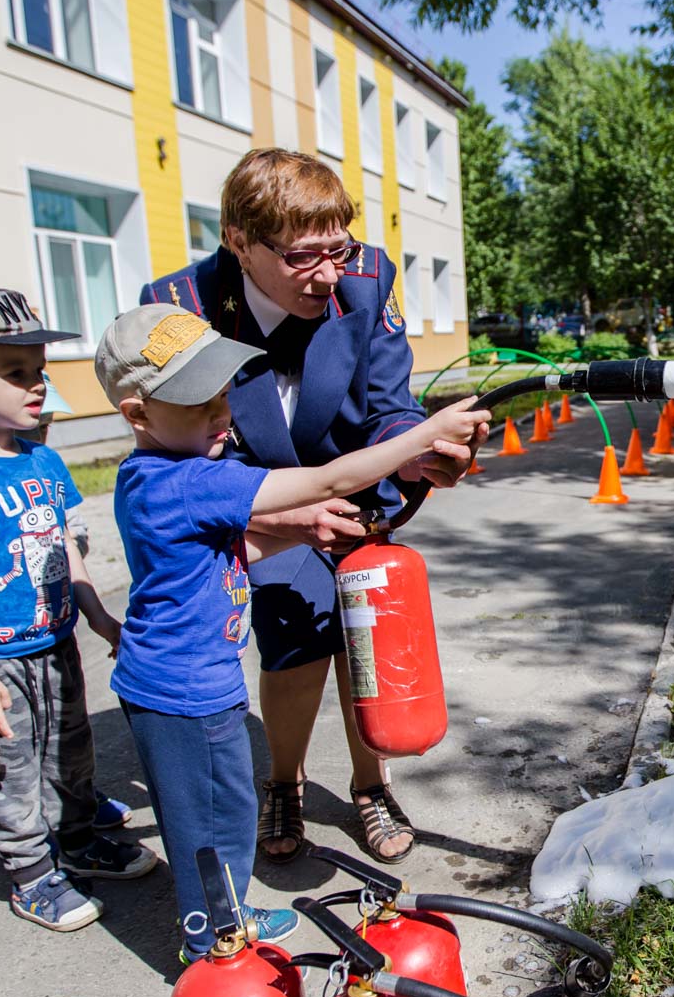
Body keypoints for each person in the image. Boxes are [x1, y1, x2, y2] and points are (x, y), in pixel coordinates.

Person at [94, 303, 491, 959]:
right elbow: (330, 478)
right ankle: (213, 950)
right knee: (207, 829)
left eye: (223, 399)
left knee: (224, 818)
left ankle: (232, 917)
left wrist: (300, 530)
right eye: (201, 408)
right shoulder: (192, 478)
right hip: (181, 694)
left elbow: (221, 555)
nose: (223, 418)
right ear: (137, 413)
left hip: (194, 684)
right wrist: (425, 436)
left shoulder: (149, 476)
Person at [140, 148, 480, 865]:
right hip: (259, 501)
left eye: (339, 248)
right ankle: (284, 783)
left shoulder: (365, 277)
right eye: (303, 257)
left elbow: (388, 407)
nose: (329, 274)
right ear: (239, 242)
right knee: (293, 643)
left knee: (370, 638)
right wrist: (281, 519)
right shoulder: (180, 308)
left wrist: (418, 453)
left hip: (357, 494)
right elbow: (196, 449)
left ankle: (370, 783)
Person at [0, 287, 157, 933]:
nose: (37, 384)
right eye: (16, 373)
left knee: (72, 751)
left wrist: (99, 618)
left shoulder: (42, 460)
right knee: (8, 768)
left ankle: (78, 840)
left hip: (57, 643)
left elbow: (64, 553)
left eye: (39, 371)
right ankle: (30, 874)